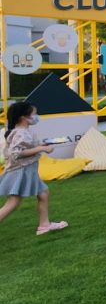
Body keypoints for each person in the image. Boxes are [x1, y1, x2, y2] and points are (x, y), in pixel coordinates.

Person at [0, 101, 66, 235]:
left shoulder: (22, 132)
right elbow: (16, 153)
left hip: (26, 171)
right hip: (21, 172)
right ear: (24, 117)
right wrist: (42, 148)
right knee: (14, 201)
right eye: (34, 114)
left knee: (43, 193)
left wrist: (41, 145)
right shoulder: (21, 133)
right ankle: (44, 225)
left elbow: (26, 148)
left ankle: (44, 225)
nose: (37, 117)